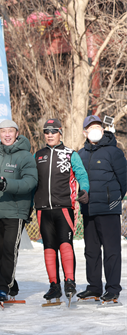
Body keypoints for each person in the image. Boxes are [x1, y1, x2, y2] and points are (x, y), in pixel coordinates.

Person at [34, 119, 89, 302]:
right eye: (46, 132)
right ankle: (54, 285)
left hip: (64, 207)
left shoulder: (70, 154)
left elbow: (81, 174)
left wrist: (84, 190)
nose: (50, 135)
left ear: (60, 133)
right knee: (48, 247)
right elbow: (32, 182)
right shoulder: (38, 155)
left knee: (65, 244)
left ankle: (70, 281)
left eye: (53, 131)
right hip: (43, 209)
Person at [77, 115, 127, 303]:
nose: (94, 130)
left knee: (111, 250)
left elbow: (124, 180)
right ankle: (94, 287)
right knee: (91, 250)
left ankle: (113, 288)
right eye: (91, 127)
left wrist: (114, 199)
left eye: (98, 126)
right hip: (88, 209)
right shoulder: (80, 154)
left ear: (103, 129)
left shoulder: (114, 152)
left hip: (109, 208)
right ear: (85, 132)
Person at [0, 119, 38, 302]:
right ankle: (11, 284)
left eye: (11, 131)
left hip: (16, 211)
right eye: (3, 131)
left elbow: (30, 182)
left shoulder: (25, 156)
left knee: (9, 249)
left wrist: (6, 184)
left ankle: (3, 288)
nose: (7, 135)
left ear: (17, 134)